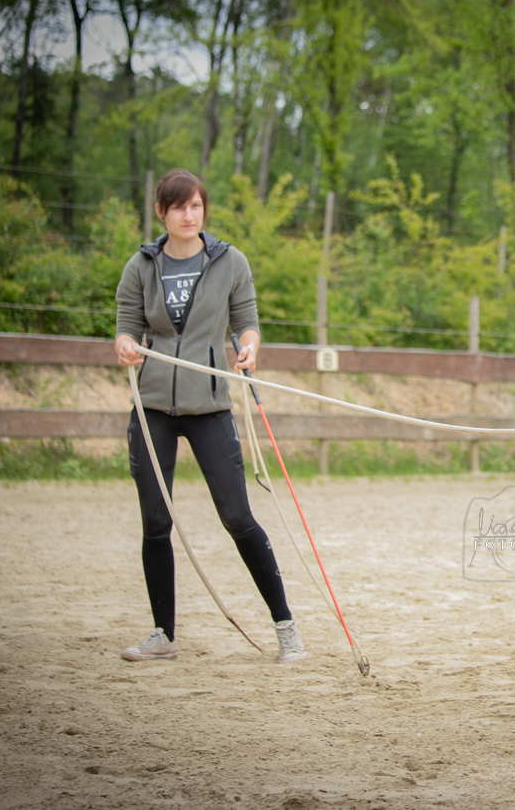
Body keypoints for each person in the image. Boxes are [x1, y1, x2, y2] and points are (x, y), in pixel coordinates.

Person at [114, 168, 305, 664]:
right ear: (162, 212)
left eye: (195, 206)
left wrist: (249, 348)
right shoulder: (142, 263)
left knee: (238, 516)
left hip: (211, 406)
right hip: (152, 405)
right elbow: (126, 322)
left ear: (204, 210)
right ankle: (163, 634)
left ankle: (286, 628)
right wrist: (125, 344)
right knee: (155, 521)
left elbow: (247, 320)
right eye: (178, 207)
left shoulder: (230, 260)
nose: (188, 214)